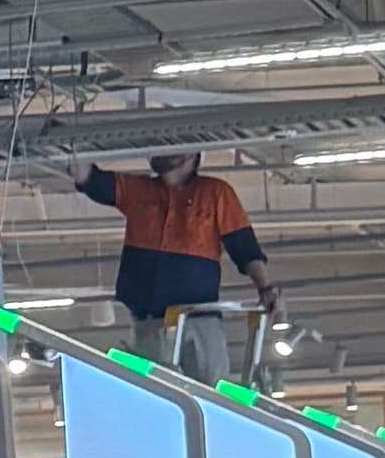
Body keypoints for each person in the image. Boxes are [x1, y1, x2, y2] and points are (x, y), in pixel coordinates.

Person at [74, 146, 273, 383]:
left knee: (209, 391)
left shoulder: (215, 193)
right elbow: (88, 179)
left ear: (192, 154)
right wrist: (75, 145)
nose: (159, 154)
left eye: (168, 149)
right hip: (150, 321)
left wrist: (265, 287)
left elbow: (243, 244)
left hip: (198, 319)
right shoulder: (138, 191)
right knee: (157, 394)